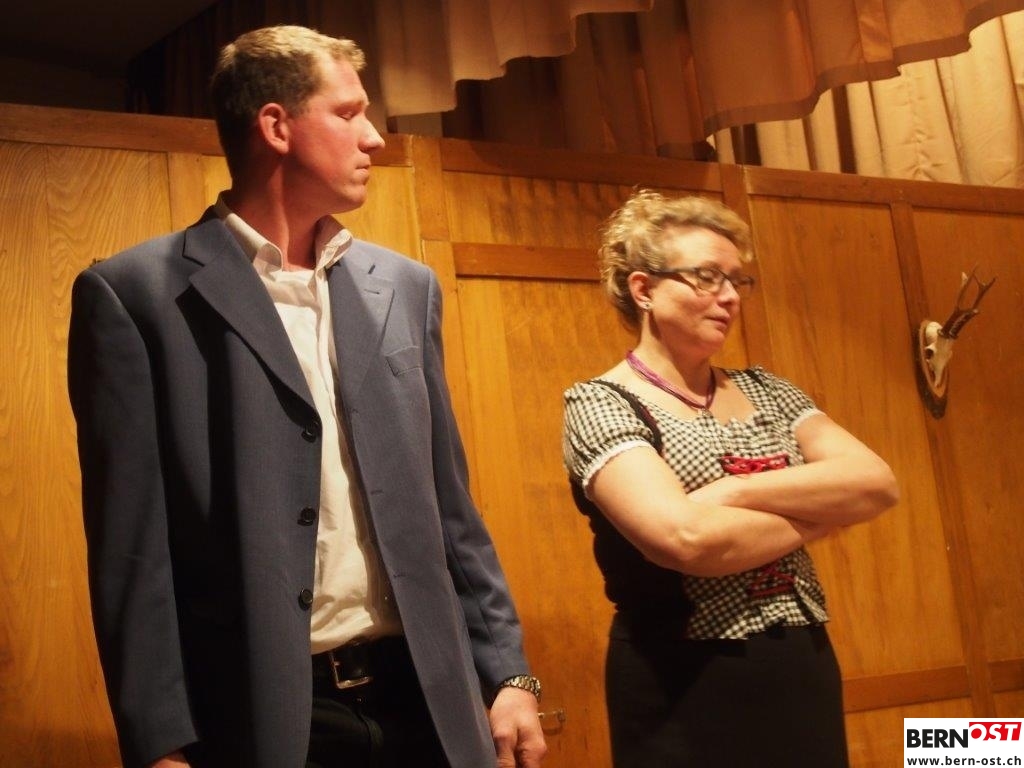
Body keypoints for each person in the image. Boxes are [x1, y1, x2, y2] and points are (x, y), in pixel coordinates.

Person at [68, 25, 546, 768]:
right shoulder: (136, 296)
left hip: (429, 698)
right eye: (349, 113)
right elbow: (131, 547)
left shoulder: (405, 287)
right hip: (268, 715)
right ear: (276, 126)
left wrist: (507, 672)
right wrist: (159, 741)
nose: (375, 138)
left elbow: (449, 505)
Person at [562, 190, 899, 767]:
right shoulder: (601, 402)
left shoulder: (769, 390)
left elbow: (876, 483)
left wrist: (735, 492)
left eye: (737, 281)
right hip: (679, 676)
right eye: (706, 277)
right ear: (643, 289)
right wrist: (819, 517)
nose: (729, 296)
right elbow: (686, 540)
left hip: (800, 660)